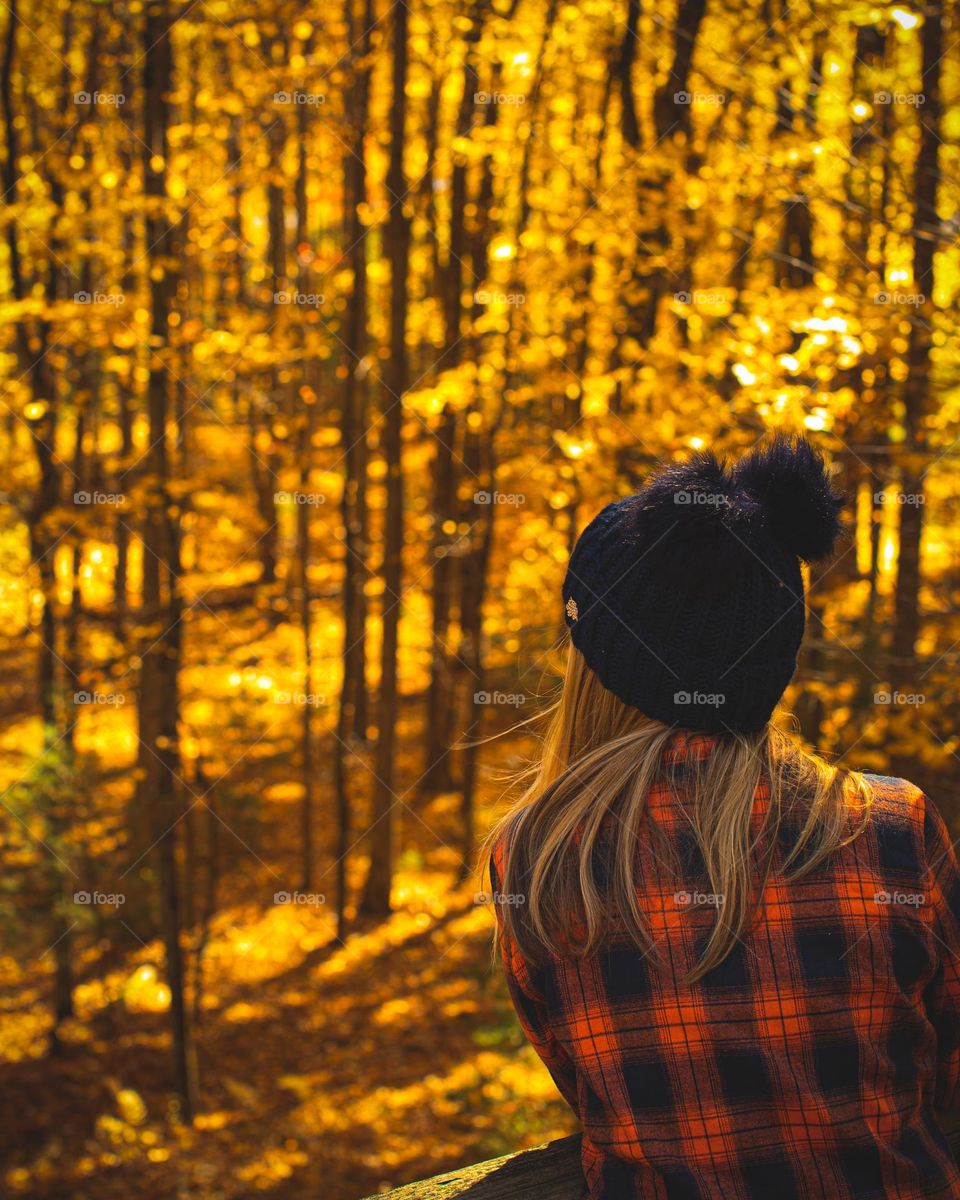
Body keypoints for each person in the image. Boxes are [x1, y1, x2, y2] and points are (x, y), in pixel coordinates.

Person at [486, 436, 960, 1199]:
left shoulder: (541, 859)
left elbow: (587, 1092)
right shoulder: (894, 829)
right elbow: (944, 1067)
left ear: (597, 666)